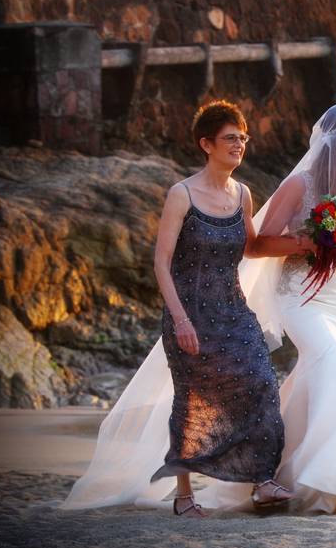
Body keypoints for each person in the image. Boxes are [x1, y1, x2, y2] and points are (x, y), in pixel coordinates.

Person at [61, 101, 306, 515]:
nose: (239, 144)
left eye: (243, 138)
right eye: (231, 138)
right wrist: (179, 319)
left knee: (261, 382)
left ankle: (262, 481)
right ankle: (184, 496)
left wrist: (305, 243)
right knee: (191, 400)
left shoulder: (243, 193)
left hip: (234, 311)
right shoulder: (183, 194)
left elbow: (253, 246)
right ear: (206, 144)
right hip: (189, 312)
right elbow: (161, 262)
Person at [233, 103, 336, 513]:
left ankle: (278, 471)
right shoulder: (299, 184)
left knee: (316, 381)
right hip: (299, 297)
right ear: (331, 141)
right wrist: (305, 243)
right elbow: (256, 245)